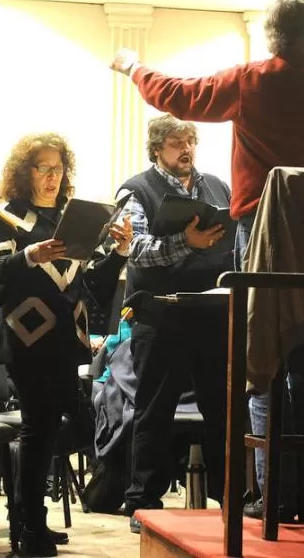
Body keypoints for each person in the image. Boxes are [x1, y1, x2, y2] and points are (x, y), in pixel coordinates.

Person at [110, 0, 304, 523]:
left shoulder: (250, 80)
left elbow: (177, 95)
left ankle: (270, 496)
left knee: (267, 356)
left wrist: (134, 65)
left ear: (272, 33)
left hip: (266, 233)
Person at [0, 133, 132, 557]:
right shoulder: (8, 217)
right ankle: (29, 523)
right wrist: (30, 256)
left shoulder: (74, 218)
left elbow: (94, 289)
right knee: (39, 428)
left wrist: (119, 252)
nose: (51, 176)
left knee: (69, 428)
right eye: (41, 167)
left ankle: (27, 515)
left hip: (69, 340)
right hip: (26, 339)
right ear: (23, 172)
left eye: (57, 167)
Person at [117, 115, 232, 532]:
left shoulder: (217, 186)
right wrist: (189, 242)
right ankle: (142, 501)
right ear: (156, 149)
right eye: (175, 142)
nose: (186, 149)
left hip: (214, 313)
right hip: (161, 315)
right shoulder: (137, 189)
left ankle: (229, 497)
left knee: (222, 409)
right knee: (155, 408)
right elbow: (135, 249)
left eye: (190, 141)